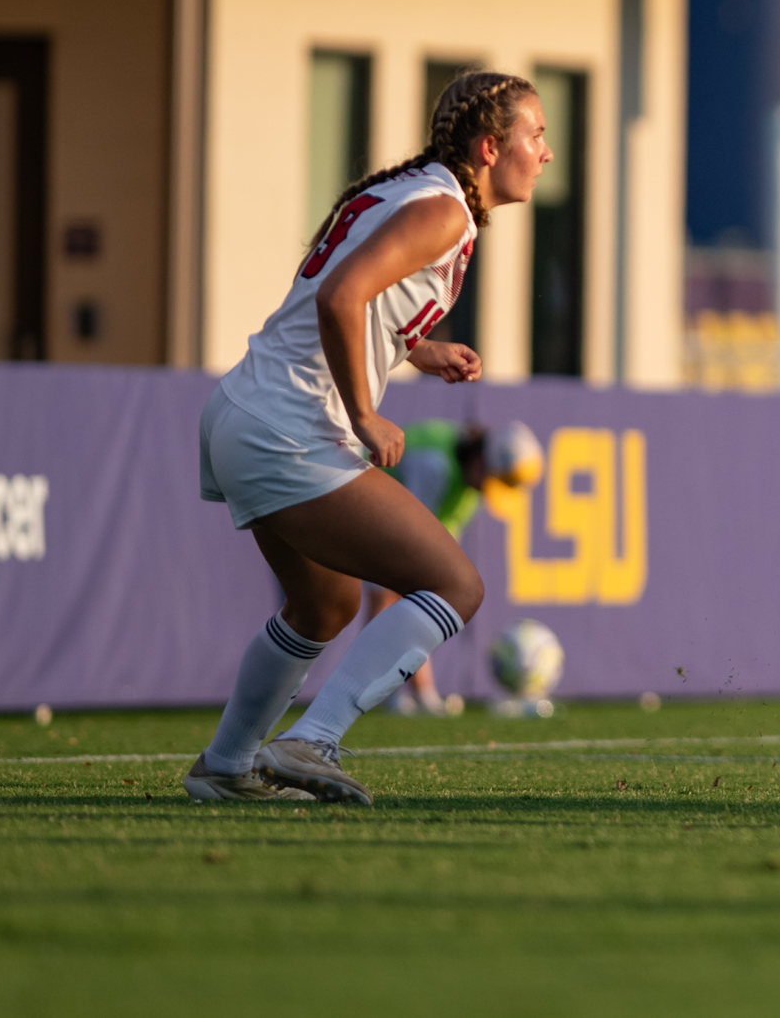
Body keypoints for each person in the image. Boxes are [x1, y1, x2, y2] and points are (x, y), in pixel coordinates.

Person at [184, 71, 549, 804]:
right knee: (457, 583)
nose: (544, 153)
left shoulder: (414, 191)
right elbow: (337, 295)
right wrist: (363, 411)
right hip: (288, 425)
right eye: (535, 135)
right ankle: (312, 740)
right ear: (489, 147)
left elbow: (338, 296)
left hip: (242, 412)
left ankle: (226, 765)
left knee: (322, 606)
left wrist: (419, 349)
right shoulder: (444, 210)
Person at [368, 419, 543, 715]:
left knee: (417, 592)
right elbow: (395, 577)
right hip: (344, 499)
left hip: (378, 512)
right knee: (377, 598)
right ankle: (389, 693)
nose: (490, 490)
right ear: (480, 461)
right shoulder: (434, 466)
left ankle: (408, 693)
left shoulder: (468, 488)